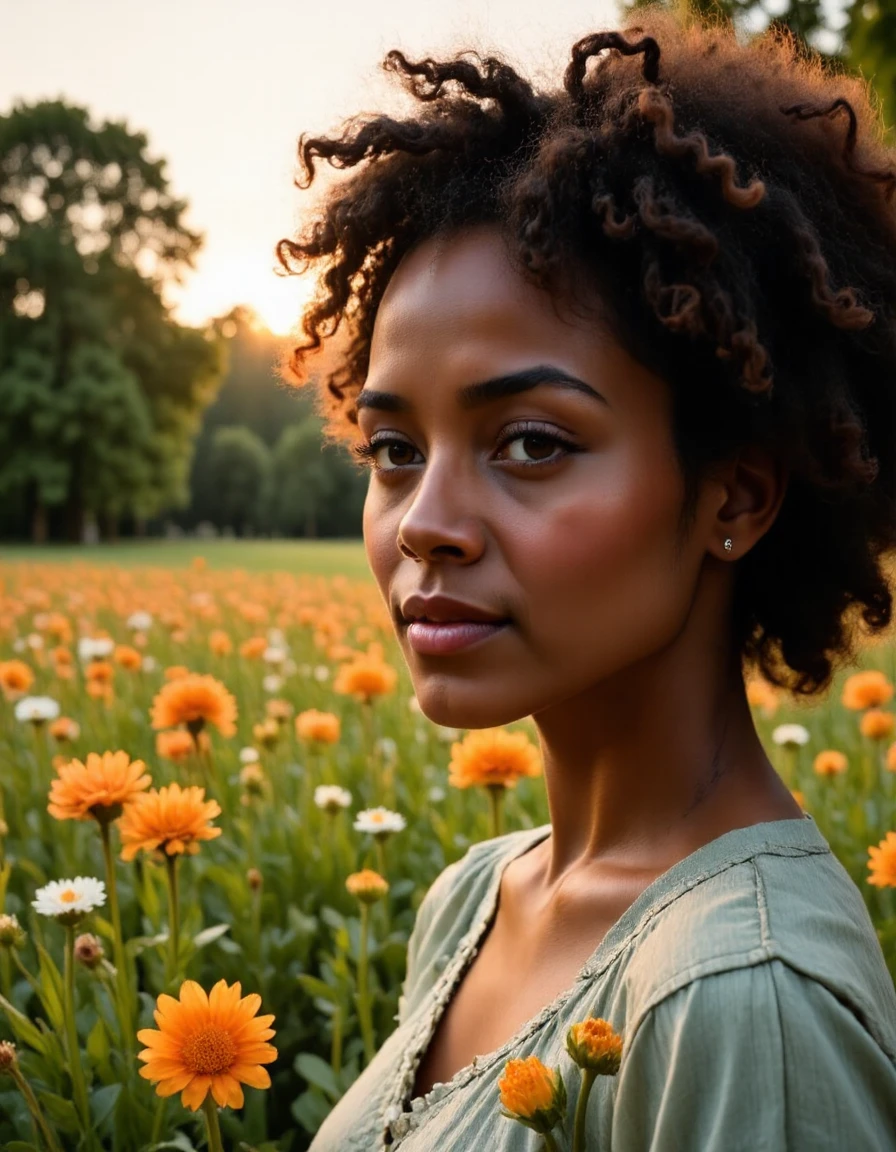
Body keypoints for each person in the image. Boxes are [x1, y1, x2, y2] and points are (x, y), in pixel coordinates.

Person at [277, 7, 896, 1149]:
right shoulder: (476, 898)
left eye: (531, 444)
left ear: (734, 498)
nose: (425, 525)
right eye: (393, 451)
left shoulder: (740, 1000)